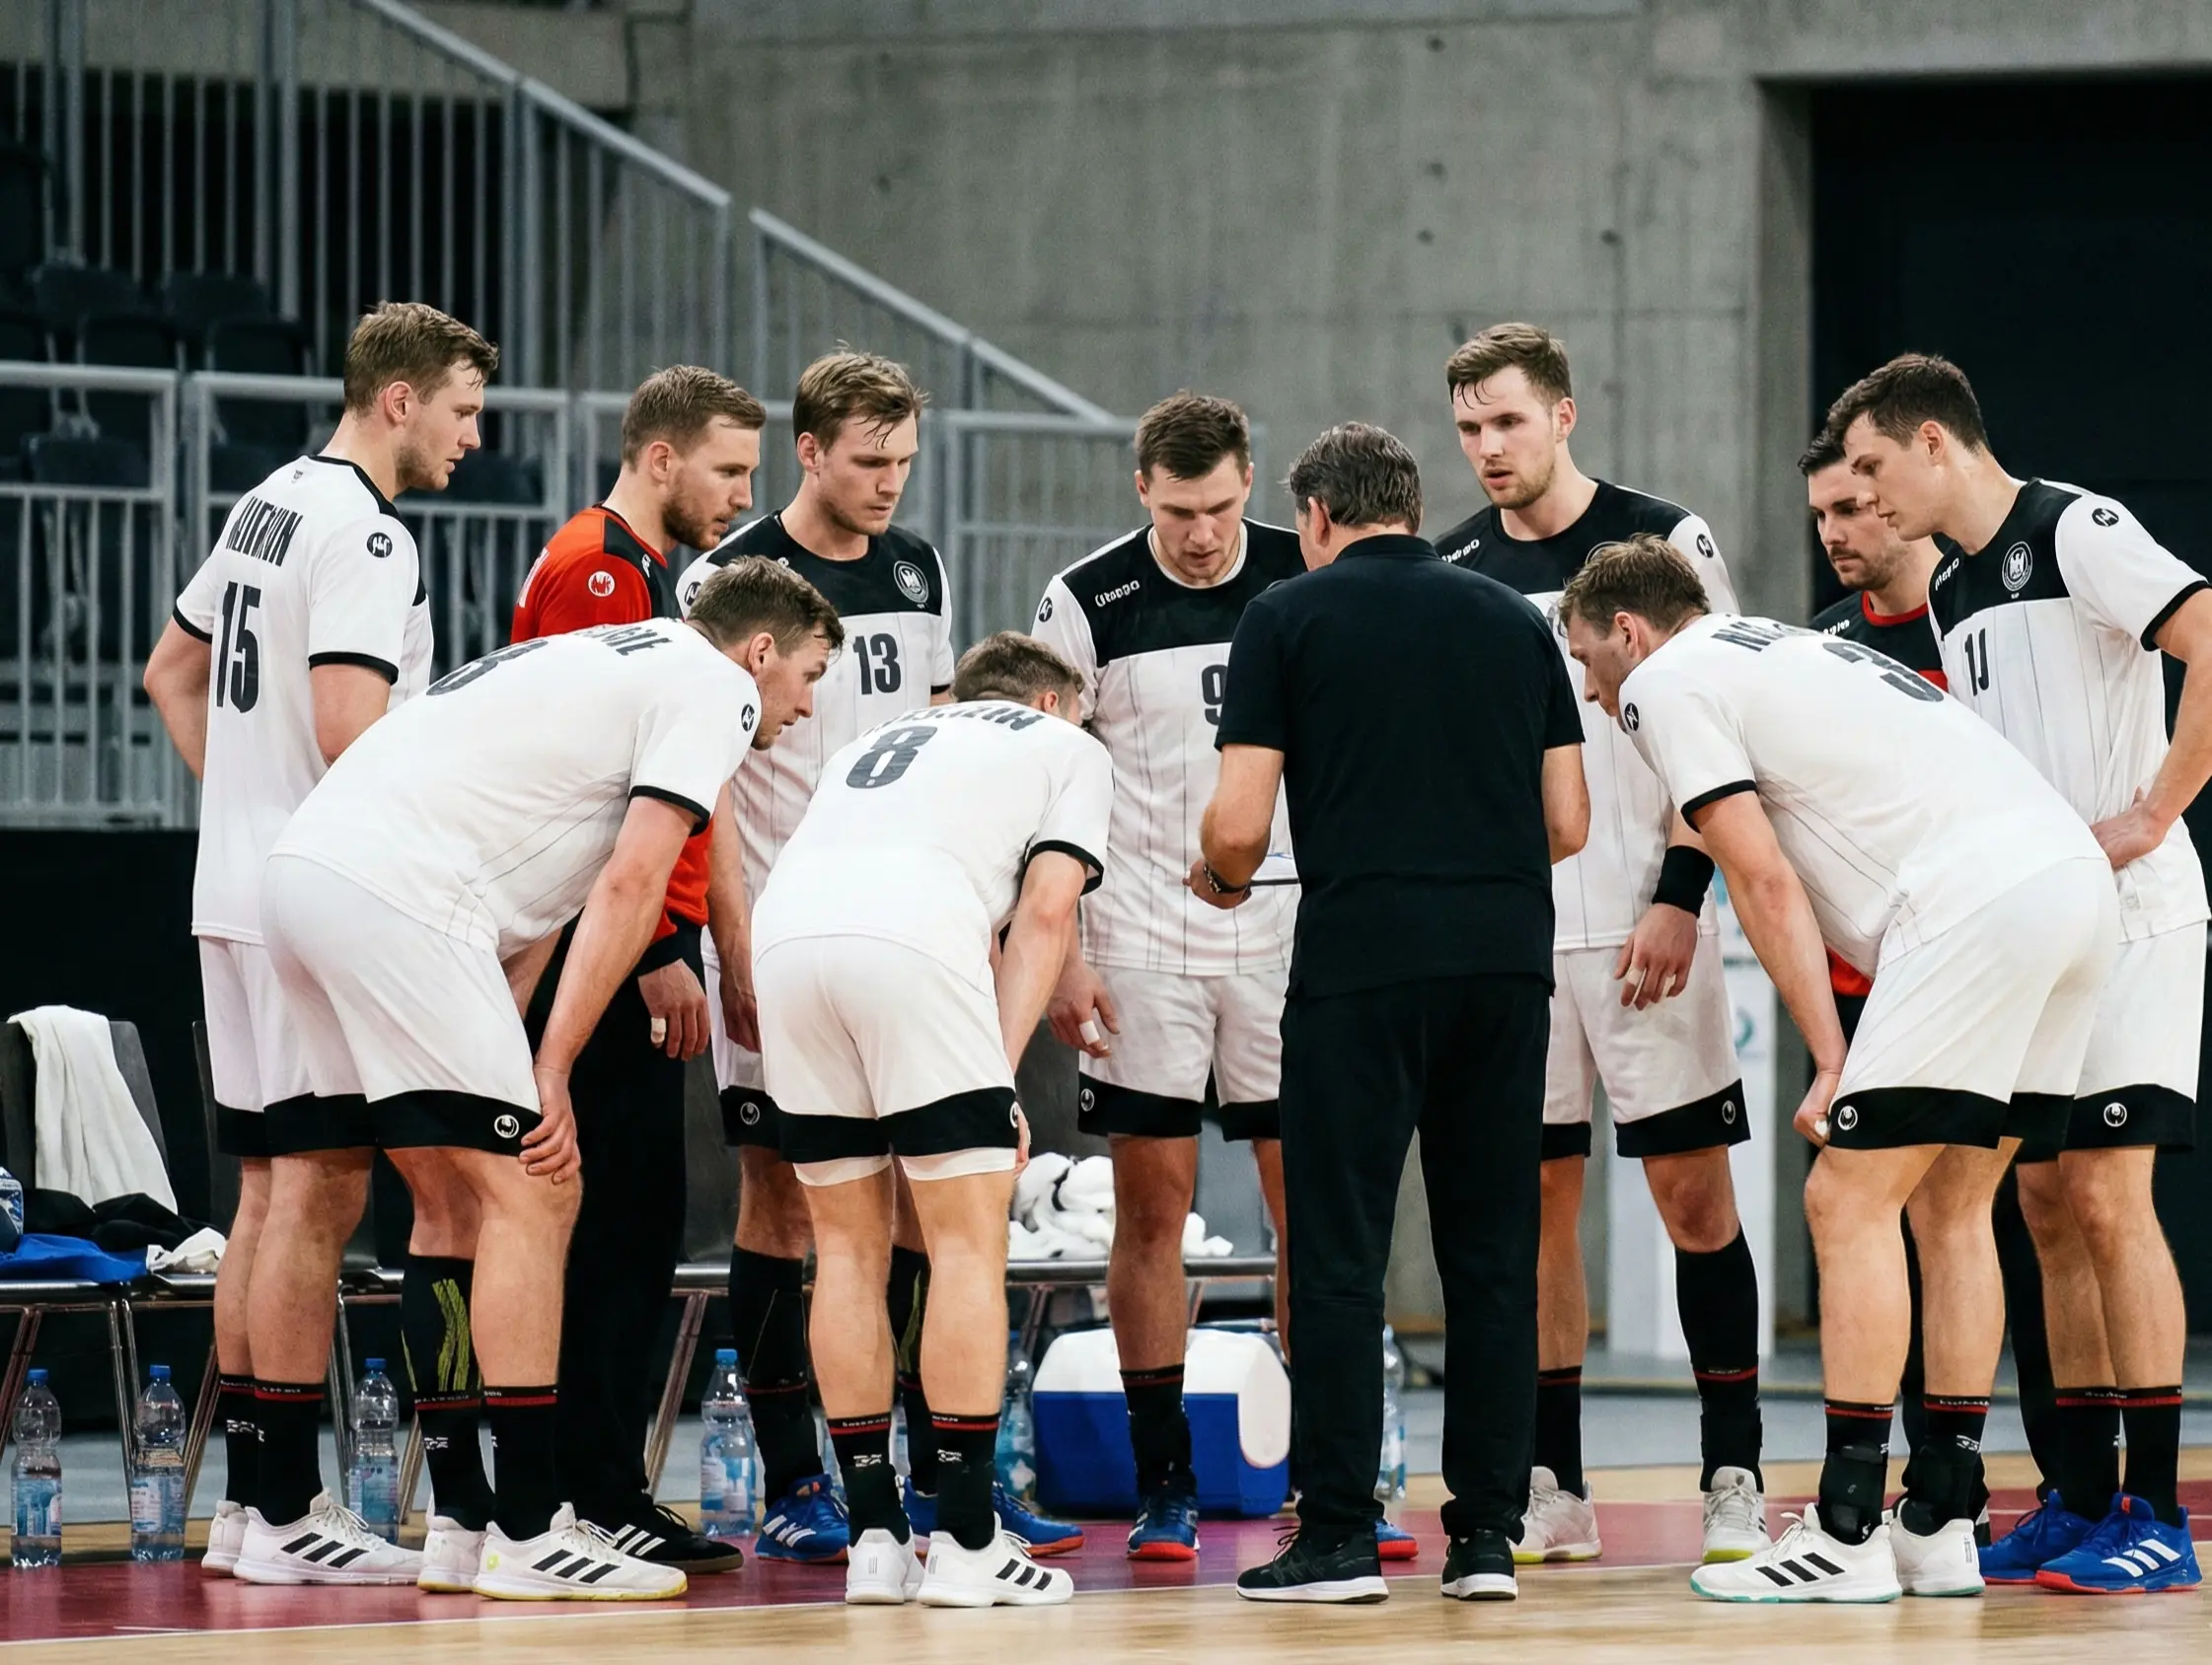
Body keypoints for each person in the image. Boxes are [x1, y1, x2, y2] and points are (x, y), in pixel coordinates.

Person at [238, 559, 835, 1602]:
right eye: (808, 675)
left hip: (307, 875)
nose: (806, 703)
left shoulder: (604, 663)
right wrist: (549, 1073)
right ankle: (528, 1525)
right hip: (403, 892)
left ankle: (461, 1524)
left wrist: (516, 1059)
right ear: (761, 650)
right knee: (536, 1185)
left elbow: (545, 904)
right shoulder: (712, 685)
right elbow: (632, 882)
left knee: (446, 1194)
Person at [1558, 536, 2117, 1604]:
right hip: (2070, 887)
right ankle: (1940, 1519)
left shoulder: (1668, 679)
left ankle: (1849, 1527)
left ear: (1628, 630)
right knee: (1955, 1203)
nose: (1591, 689)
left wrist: (1830, 1055)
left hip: (1971, 902)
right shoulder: (1787, 647)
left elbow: (1757, 880)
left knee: (1844, 1196)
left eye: (1589, 661)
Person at [678, 350, 1081, 1558]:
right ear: (807, 451)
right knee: (788, 1204)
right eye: (867, 461)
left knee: (925, 1203)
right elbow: (703, 782)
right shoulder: (728, 578)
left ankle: (937, 1470)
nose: (890, 483)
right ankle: (798, 1476)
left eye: (904, 460)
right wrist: (731, 940)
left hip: (910, 927)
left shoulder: (915, 565)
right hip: (779, 929)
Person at [1831, 353, 2207, 1594]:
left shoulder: (2076, 525)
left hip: (2139, 911)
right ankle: (2082, 1493)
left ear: (1932, 442)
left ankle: (2158, 1510)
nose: (1866, 500)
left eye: (1876, 470)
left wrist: (2152, 813)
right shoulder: (1948, 588)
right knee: (2040, 1203)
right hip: (2046, 926)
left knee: (2106, 1194)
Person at [1200, 422, 1589, 1606]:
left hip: (1362, 963)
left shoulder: (1284, 616)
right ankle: (1485, 1538)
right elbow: (1567, 820)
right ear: (1412, 509)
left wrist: (1221, 874)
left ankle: (1337, 1537)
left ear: (1314, 517)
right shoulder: (1513, 618)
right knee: (1489, 1253)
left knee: (1337, 1256)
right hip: (1504, 961)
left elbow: (1234, 824)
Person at [139, 301, 493, 1582]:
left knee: (267, 1196)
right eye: (461, 412)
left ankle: (249, 1508)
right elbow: (353, 729)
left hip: (232, 893)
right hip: (312, 905)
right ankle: (288, 1510)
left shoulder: (266, 499)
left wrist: (241, 806)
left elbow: (165, 672)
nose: (471, 439)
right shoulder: (365, 530)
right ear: (399, 399)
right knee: (322, 1194)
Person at [1433, 323, 1764, 1563]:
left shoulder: (1663, 536)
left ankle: (1733, 1466)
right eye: (1468, 428)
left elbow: (1720, 721)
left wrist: (1682, 886)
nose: (1486, 449)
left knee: (1689, 1195)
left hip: (1643, 918)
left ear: (1563, 415)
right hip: (1521, 931)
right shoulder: (1455, 564)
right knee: (1532, 1206)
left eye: (1507, 422)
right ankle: (1550, 1480)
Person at [1030, 392, 1354, 1560]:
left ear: (1254, 481)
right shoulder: (1089, 597)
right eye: (1179, 510)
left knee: (1307, 1211)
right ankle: (1163, 1478)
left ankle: (1329, 1481)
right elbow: (1042, 777)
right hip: (1142, 942)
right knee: (1151, 1210)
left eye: (1221, 506)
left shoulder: (1303, 569)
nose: (1204, 532)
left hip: (1285, 941)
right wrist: (1060, 951)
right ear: (1139, 490)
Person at [751, 631, 1111, 1609]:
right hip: (907, 940)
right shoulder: (1064, 745)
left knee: (848, 1251)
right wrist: (994, 1072)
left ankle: (873, 1537)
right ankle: (962, 1539)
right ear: (1049, 703)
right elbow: (1044, 915)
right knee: (964, 1247)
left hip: (784, 942)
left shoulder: (880, 740)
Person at [503, 365, 768, 1574]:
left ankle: (601, 1483)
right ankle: (585, 1490)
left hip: (618, 945)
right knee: (610, 1224)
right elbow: (590, 777)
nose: (739, 495)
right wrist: (660, 949)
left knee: (637, 1224)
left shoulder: (647, 573)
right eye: (729, 471)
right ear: (661, 459)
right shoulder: (601, 569)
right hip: (595, 953)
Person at [1803, 427, 2058, 1526]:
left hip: (1993, 959)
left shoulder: (1984, 626)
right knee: (1897, 1220)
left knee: (2013, 1213)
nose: (1836, 532)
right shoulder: (1815, 650)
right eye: (1818, 515)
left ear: (1900, 495)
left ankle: (2054, 1481)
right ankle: (1931, 1494)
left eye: (1852, 508)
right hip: (1873, 984)